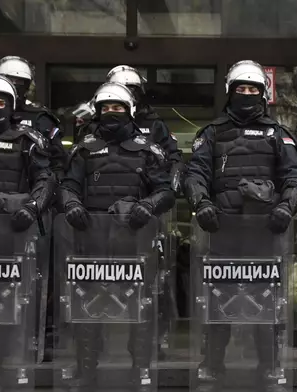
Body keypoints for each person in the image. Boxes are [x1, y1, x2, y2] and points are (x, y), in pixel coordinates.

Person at [183, 60, 297, 392]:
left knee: (265, 306)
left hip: (265, 234)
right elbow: (195, 175)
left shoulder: (278, 135)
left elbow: (295, 177)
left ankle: (269, 369)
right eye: (242, 89)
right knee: (217, 304)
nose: (247, 94)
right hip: (222, 234)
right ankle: (212, 367)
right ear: (230, 93)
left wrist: (286, 206)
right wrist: (201, 202)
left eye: (253, 89)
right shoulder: (211, 134)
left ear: (263, 94)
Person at [58, 82, 175, 391]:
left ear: (130, 111)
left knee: (141, 308)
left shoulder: (149, 150)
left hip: (134, 242)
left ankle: (140, 368)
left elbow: (166, 190)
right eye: (106, 108)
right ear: (97, 112)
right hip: (92, 242)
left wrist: (148, 205)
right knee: (89, 306)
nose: (112, 112)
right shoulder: (84, 149)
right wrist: (70, 202)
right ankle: (86, 368)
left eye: (118, 108)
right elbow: (68, 184)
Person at [0, 74, 55, 391]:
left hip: (6, 237)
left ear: (13, 105)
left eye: (2, 102)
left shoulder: (26, 140)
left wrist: (31, 207)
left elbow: (46, 181)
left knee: (1, 308)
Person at [0, 56, 67, 179]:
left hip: (29, 187)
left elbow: (58, 161)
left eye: (19, 81)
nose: (14, 86)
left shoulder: (40, 118)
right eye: (10, 80)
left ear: (27, 86)